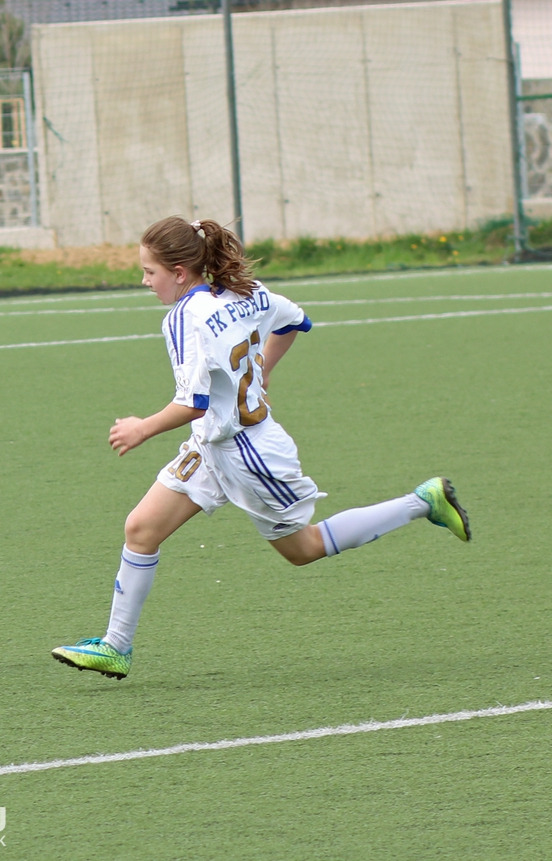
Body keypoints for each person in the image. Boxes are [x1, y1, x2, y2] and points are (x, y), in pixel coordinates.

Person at [51, 216, 469, 680]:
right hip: (213, 443)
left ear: (180, 272)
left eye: (150, 272)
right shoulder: (245, 292)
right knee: (141, 528)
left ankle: (423, 501)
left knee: (303, 548)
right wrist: (264, 368)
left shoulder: (184, 317)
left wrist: (141, 428)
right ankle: (115, 647)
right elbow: (296, 320)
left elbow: (193, 402)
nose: (145, 281)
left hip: (248, 452)